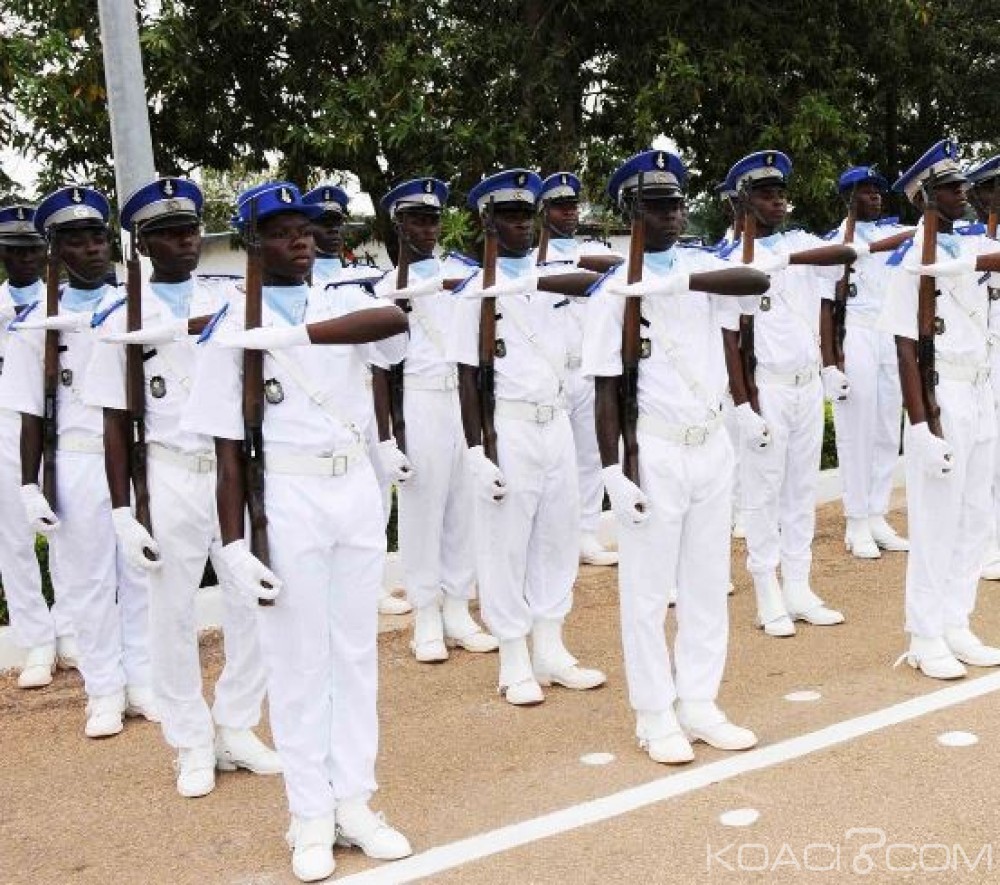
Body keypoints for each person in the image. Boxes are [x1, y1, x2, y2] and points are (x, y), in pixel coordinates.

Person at [183, 181, 412, 882]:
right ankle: (309, 811)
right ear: (252, 242)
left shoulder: (341, 297)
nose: (303, 240)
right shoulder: (227, 325)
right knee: (298, 662)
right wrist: (234, 545)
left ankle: (356, 802)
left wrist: (295, 333)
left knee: (355, 656)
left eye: (307, 228)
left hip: (353, 491)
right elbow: (227, 451)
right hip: (285, 494)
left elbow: (393, 327)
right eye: (283, 231)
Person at [83, 177, 280, 797]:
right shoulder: (120, 316)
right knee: (171, 613)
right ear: (142, 242)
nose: (184, 241)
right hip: (168, 472)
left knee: (252, 600)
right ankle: (191, 740)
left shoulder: (234, 294)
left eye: (190, 228)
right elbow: (115, 421)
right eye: (167, 233)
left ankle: (238, 723)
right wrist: (122, 510)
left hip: (231, 471)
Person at [583, 148, 767, 763]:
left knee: (707, 583)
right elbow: (605, 389)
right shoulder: (613, 292)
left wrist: (678, 279)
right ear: (631, 211)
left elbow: (753, 282)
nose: (672, 216)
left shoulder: (699, 267)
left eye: (676, 204)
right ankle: (654, 713)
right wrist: (613, 469)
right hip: (655, 450)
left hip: (710, 443)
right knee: (647, 589)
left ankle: (699, 702)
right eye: (658, 206)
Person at [0, 186, 155, 737]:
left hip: (136, 460)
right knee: (88, 582)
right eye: (75, 240)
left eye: (97, 237)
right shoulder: (36, 322)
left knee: (140, 573)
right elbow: (29, 415)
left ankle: (141, 679)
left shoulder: (137, 305)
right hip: (76, 460)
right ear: (56, 251)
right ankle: (104, 690)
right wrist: (27, 484)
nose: (91, 248)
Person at [449, 168, 607, 706]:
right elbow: (467, 378)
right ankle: (514, 657)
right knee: (504, 546)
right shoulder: (473, 293)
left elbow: (596, 280)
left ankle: (551, 648)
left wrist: (530, 279)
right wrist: (476, 450)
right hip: (508, 426)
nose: (519, 225)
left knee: (557, 538)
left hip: (555, 421)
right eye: (508, 215)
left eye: (525, 214)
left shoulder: (555, 273)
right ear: (487, 221)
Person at [722, 150, 862, 638]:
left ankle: (799, 586)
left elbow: (844, 257)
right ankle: (767, 592)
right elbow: (732, 338)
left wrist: (787, 259)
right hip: (768, 388)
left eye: (781, 193)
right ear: (745, 201)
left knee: (801, 492)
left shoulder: (800, 243)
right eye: (765, 194)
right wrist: (743, 404)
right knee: (762, 495)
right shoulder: (733, 258)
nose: (778, 202)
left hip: (805, 387)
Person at [880, 139, 1000, 679]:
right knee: (937, 521)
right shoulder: (911, 263)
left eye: (962, 184)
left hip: (981, 390)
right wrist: (921, 423)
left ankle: (957, 620)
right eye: (951, 187)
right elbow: (907, 345)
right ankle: (925, 634)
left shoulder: (972, 246)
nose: (963, 193)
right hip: (943, 393)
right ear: (925, 195)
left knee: (975, 515)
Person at [371, 177, 497, 663]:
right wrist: (388, 436)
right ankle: (425, 612)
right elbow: (382, 369)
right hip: (418, 403)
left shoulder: (460, 276)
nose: (427, 228)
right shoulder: (383, 289)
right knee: (422, 508)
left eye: (432, 219)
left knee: (463, 505)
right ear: (398, 225)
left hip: (458, 401)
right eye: (416, 220)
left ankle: (459, 608)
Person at [303, 183, 412, 617]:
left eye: (336, 224)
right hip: (313, 407)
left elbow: (380, 362)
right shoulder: (298, 280)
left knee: (372, 495)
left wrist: (385, 434)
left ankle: (372, 583)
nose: (331, 232)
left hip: (360, 401)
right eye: (321, 224)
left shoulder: (361, 280)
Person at [0, 204, 77, 688]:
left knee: (70, 528)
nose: (27, 256)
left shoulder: (70, 300)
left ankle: (71, 630)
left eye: (34, 247)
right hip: (8, 422)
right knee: (13, 535)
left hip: (66, 423)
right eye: (16, 249)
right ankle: (37, 639)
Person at [822, 167, 910, 559]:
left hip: (889, 330)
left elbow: (914, 235)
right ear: (849, 198)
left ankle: (877, 513)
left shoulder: (889, 235)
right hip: (855, 331)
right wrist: (831, 360)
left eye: (878, 192)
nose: (876, 197)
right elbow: (826, 305)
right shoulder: (835, 240)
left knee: (889, 427)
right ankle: (856, 519)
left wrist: (870, 248)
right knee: (856, 428)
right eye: (867, 192)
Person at [536, 172, 620, 567]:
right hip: (549, 373)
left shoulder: (589, 249)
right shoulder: (531, 258)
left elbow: (615, 266)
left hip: (585, 368)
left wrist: (575, 260)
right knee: (552, 460)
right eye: (560, 207)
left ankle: (586, 533)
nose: (569, 213)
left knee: (589, 455)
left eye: (573, 206)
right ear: (544, 211)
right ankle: (553, 538)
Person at [962, 155, 1000, 580]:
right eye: (995, 188)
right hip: (986, 352)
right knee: (990, 452)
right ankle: (987, 542)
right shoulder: (970, 238)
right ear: (980, 195)